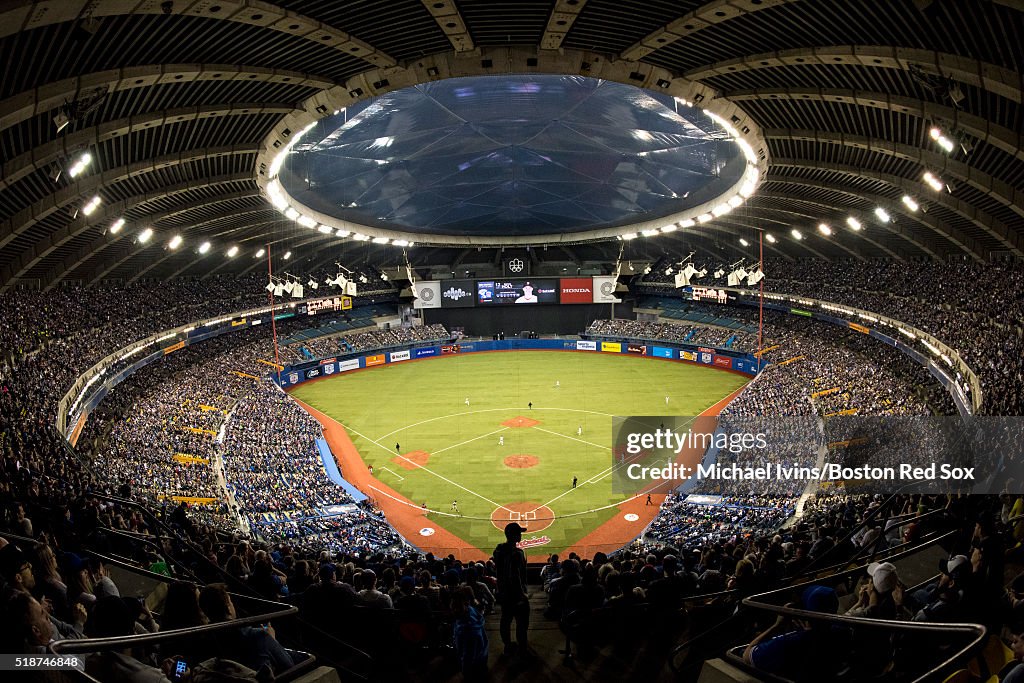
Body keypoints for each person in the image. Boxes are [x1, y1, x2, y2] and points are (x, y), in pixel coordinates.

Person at [493, 523, 530, 656]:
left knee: (506, 620)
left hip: (503, 593)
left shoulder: (498, 550)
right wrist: (522, 595)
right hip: (515, 595)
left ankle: (507, 645)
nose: (520, 535)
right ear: (513, 535)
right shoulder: (517, 554)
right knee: (521, 622)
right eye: (519, 533)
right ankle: (522, 647)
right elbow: (514, 576)